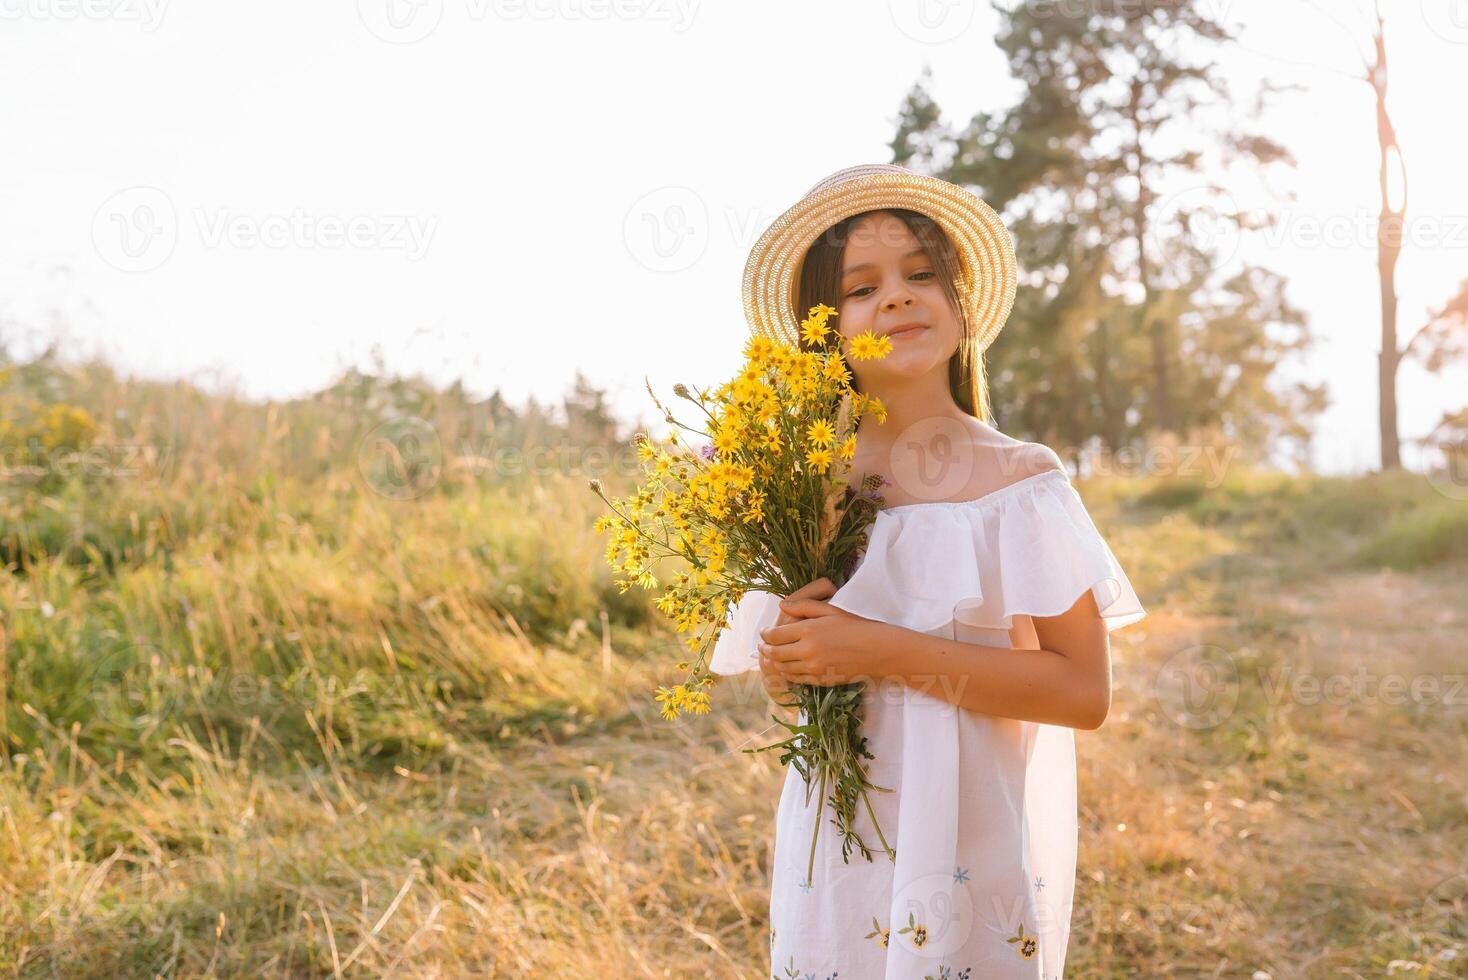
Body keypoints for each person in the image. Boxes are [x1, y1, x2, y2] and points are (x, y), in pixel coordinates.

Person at [709, 164, 1147, 980]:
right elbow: (791, 679)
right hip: (839, 842)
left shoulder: (1020, 484)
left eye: (921, 275)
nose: (899, 298)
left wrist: (879, 650)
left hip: (968, 839)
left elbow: (1083, 692)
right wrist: (788, 659)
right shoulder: (803, 487)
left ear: (962, 303)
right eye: (860, 288)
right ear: (822, 330)